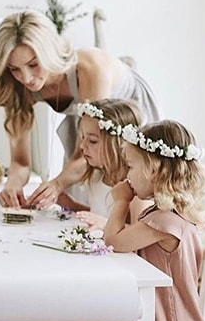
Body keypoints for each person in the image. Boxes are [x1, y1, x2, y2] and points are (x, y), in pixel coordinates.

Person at [77, 119, 205, 321]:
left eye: (131, 167)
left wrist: (121, 201)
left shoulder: (164, 221)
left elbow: (113, 241)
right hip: (155, 316)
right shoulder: (165, 213)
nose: (127, 175)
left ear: (154, 170)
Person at [0, 10, 161, 209]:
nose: (26, 78)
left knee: (135, 198)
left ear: (49, 52)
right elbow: (20, 162)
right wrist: (13, 184)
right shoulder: (17, 87)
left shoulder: (90, 68)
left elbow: (93, 145)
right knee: (83, 204)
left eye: (33, 64)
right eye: (14, 69)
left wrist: (57, 183)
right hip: (89, 131)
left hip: (130, 114)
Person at [59, 99, 151, 231]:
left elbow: (139, 234)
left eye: (92, 141)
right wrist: (72, 205)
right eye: (82, 137)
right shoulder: (98, 175)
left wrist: (105, 225)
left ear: (118, 144)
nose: (82, 146)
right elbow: (100, 215)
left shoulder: (135, 188)